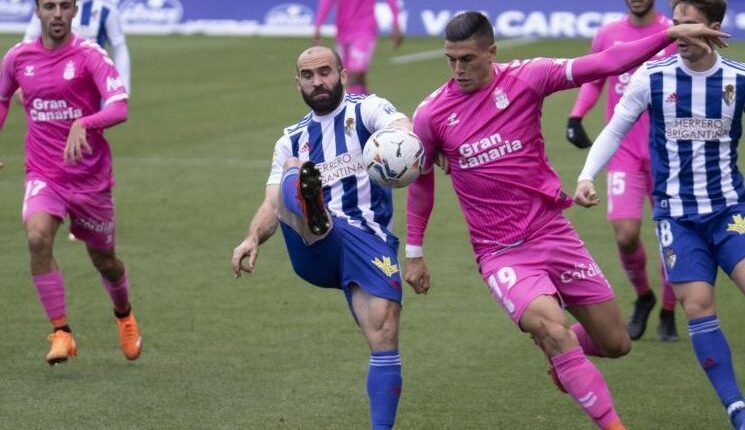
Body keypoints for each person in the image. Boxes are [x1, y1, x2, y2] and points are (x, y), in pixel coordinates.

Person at [405, 11, 725, 430]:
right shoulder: (431, 114)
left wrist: (668, 33)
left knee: (617, 343)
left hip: (554, 233)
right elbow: (420, 181)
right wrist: (414, 252)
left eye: (467, 59)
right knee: (551, 328)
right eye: (451, 59)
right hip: (501, 252)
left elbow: (605, 63)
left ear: (492, 52)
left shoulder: (528, 78)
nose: (458, 70)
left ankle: (565, 355)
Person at [575, 1, 745, 428]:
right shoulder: (653, 77)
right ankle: (737, 409)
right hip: (677, 218)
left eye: (688, 25)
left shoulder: (737, 79)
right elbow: (615, 127)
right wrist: (586, 175)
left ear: (714, 27)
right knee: (699, 306)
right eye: (675, 24)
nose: (678, 34)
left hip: (729, 211)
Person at [231, 45, 411, 429]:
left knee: (385, 331)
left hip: (369, 240)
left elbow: (400, 127)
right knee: (292, 176)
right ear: (297, 82)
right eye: (308, 76)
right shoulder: (290, 140)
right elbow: (269, 204)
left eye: (325, 72)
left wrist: (403, 144)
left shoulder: (366, 110)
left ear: (343, 75)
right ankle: (312, 207)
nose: (318, 82)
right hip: (316, 247)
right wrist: (251, 238)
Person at [0, 0, 140, 365]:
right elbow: (1, 99)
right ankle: (61, 333)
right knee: (36, 236)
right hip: (44, 173)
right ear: (37, 11)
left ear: (75, 10)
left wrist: (85, 122)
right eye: (50, 6)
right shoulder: (17, 57)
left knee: (105, 261)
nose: (57, 13)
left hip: (90, 179)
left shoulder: (89, 55)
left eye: (64, 6)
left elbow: (119, 106)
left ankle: (123, 313)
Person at [567, 0, 679, 341]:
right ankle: (644, 296)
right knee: (625, 234)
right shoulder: (608, 34)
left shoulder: (673, 33)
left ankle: (669, 311)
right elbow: (594, 79)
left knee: (671, 239)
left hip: (668, 154)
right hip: (624, 152)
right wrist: (576, 115)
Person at [24, 0, 130, 93]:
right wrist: (24, 77)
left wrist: (123, 85)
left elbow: (119, 47)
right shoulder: (48, 6)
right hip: (52, 82)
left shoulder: (106, 9)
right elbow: (30, 39)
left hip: (93, 86)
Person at [313, 0, 402, 95]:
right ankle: (369, 104)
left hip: (365, 31)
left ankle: (350, 107)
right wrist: (318, 26)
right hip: (343, 32)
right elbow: (327, 2)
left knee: (353, 75)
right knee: (352, 77)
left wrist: (396, 24)